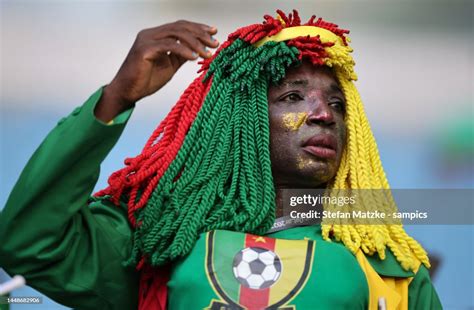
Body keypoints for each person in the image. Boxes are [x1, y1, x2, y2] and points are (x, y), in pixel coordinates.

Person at [0, 10, 441, 310]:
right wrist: (116, 96)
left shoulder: (392, 270)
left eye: (338, 105)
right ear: (241, 120)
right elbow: (32, 243)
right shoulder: (160, 242)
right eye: (292, 97)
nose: (324, 115)